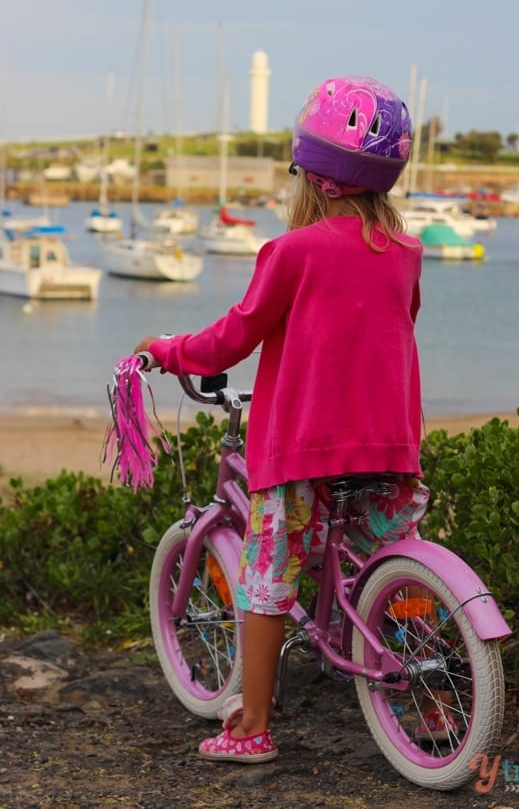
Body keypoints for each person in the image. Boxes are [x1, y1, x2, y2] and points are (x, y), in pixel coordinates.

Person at [134, 75, 437, 763]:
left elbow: (233, 339)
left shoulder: (290, 253)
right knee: (395, 562)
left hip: (303, 448)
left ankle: (252, 728)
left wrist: (166, 352)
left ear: (322, 181)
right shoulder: (407, 255)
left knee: (266, 583)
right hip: (389, 446)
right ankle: (442, 698)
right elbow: (390, 331)